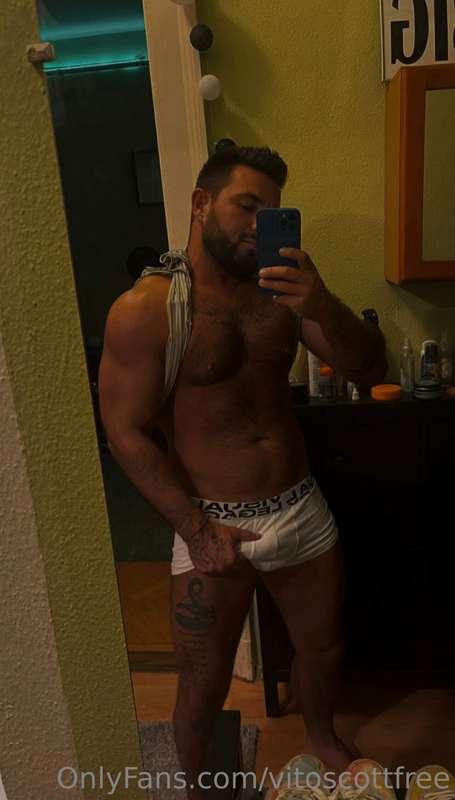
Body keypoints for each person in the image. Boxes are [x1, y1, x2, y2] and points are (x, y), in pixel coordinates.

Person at [98, 146, 387, 797]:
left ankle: (321, 738)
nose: (261, 226)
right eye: (247, 207)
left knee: (322, 649)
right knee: (203, 683)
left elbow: (370, 368)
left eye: (273, 212)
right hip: (211, 521)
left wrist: (322, 303)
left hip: (299, 508)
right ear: (201, 205)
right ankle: (204, 789)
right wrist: (195, 529)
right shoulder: (147, 309)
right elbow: (124, 433)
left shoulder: (283, 293)